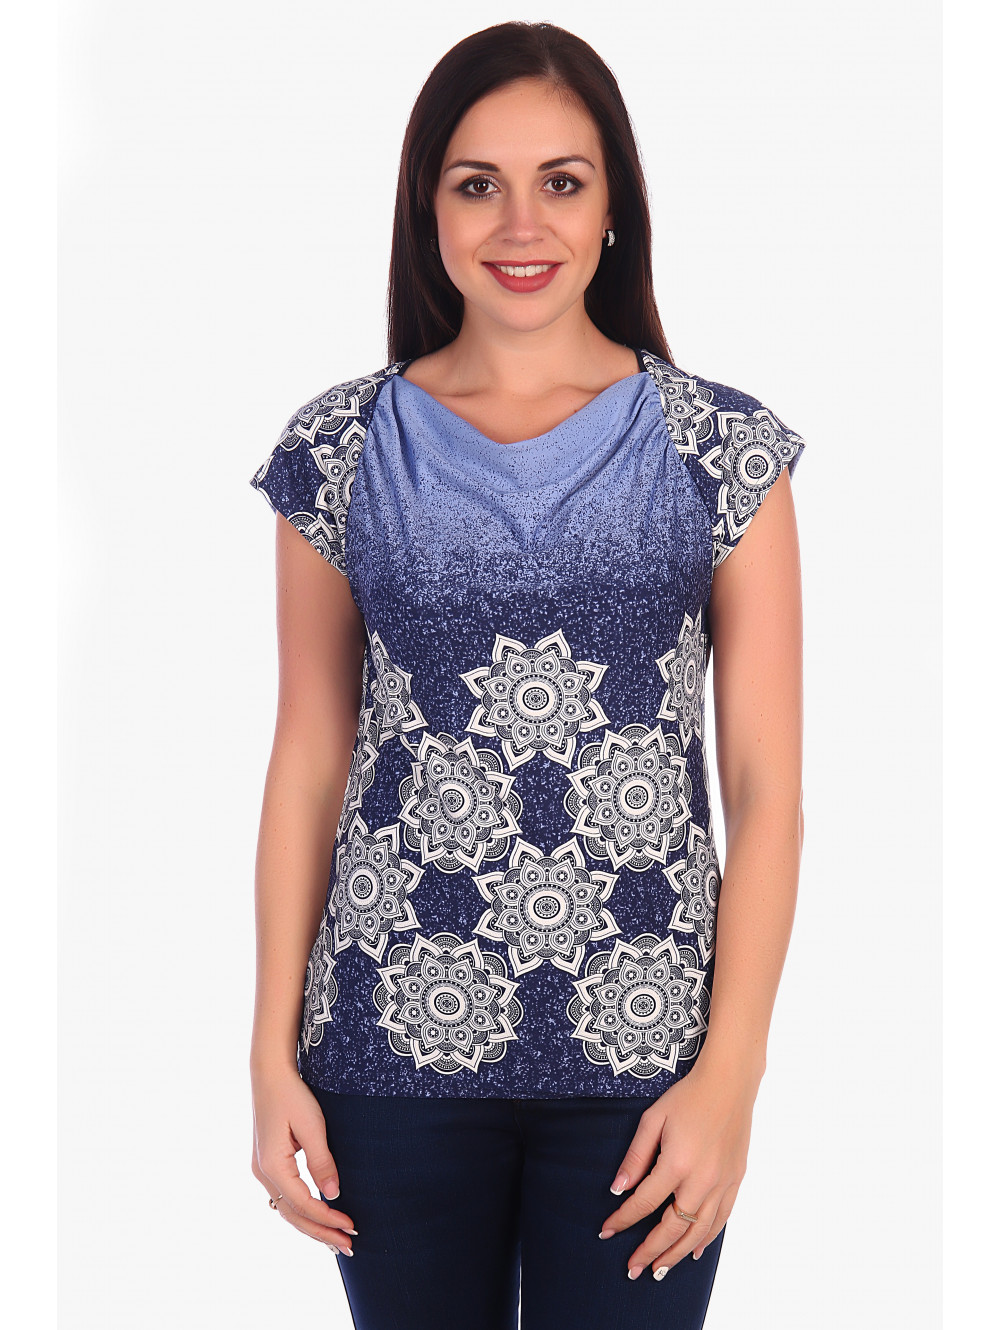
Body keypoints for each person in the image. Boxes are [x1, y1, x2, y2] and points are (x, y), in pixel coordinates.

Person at [247, 20, 806, 1330]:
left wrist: (731, 1077)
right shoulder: (339, 448)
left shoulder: (720, 450)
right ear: (427, 208)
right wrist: (268, 1054)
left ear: (614, 206)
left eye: (561, 180)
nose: (521, 223)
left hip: (647, 1060)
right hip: (388, 1045)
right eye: (476, 183)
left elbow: (768, 788)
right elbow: (309, 757)